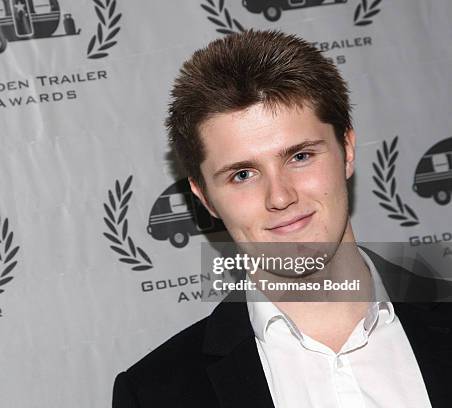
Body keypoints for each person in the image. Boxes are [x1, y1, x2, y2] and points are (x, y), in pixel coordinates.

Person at [112, 29, 452, 407]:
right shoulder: (157, 394)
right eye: (242, 174)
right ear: (205, 197)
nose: (280, 196)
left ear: (347, 151)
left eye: (300, 156)